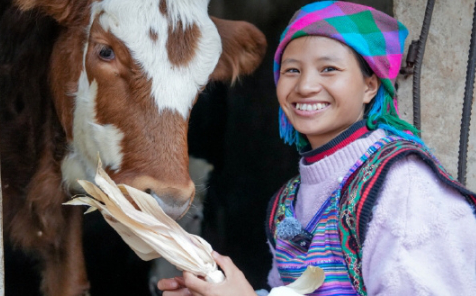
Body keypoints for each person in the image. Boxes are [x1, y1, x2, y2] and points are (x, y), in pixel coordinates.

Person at [158, 1, 476, 295]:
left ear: (370, 86)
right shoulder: (288, 201)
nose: (306, 86)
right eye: (292, 70)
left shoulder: (403, 185)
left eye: (329, 69)